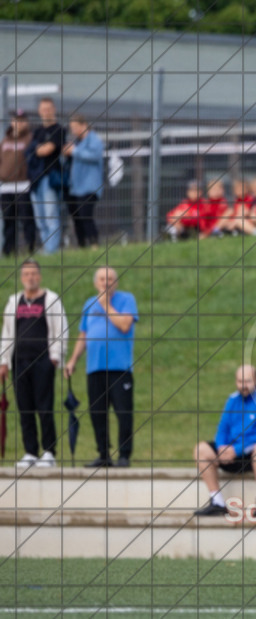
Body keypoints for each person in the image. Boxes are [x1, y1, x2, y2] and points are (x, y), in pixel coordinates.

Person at [193, 365, 256, 519]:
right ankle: (218, 502)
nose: (243, 386)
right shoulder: (232, 400)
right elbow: (222, 429)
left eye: (247, 381)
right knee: (201, 449)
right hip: (238, 453)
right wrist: (221, 448)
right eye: (240, 381)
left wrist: (237, 450)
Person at [64, 266, 139, 468]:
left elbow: (125, 325)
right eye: (102, 279)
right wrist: (73, 360)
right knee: (97, 412)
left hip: (119, 368)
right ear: (96, 283)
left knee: (123, 412)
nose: (106, 283)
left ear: (116, 282)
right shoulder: (89, 304)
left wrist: (106, 305)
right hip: (94, 368)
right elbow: (84, 335)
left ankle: (124, 455)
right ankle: (103, 454)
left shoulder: (127, 299)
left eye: (110, 279)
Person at [0, 260, 67, 468]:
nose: (31, 278)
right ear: (22, 278)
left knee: (44, 406)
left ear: (40, 276)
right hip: (19, 362)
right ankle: (30, 451)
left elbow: (61, 328)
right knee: (24, 407)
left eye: (34, 274)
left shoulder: (51, 299)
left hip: (43, 362)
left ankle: (49, 451)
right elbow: (7, 333)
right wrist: (3, 361)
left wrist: (55, 357)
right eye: (27, 274)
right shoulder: (14, 302)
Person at [26, 98, 65, 255]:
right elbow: (29, 152)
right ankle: (46, 248)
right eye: (43, 109)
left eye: (48, 108)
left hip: (50, 179)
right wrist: (37, 149)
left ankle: (51, 251)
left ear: (54, 109)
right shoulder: (37, 132)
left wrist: (37, 148)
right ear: (39, 111)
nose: (46, 111)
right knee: (40, 217)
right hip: (36, 180)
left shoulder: (59, 130)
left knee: (51, 215)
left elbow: (45, 150)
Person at [64, 113, 104, 248]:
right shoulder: (77, 142)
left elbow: (94, 156)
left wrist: (74, 151)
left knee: (86, 215)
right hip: (76, 187)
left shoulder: (94, 140)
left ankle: (94, 243)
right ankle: (82, 245)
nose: (73, 130)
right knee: (77, 218)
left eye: (75, 127)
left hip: (90, 187)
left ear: (84, 125)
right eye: (71, 128)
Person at [0, 110, 37, 256]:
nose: (19, 123)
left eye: (22, 120)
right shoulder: (5, 140)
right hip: (6, 187)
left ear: (26, 123)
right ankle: (9, 250)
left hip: (23, 186)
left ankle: (30, 248)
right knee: (9, 221)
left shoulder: (30, 139)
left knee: (26, 219)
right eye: (16, 120)